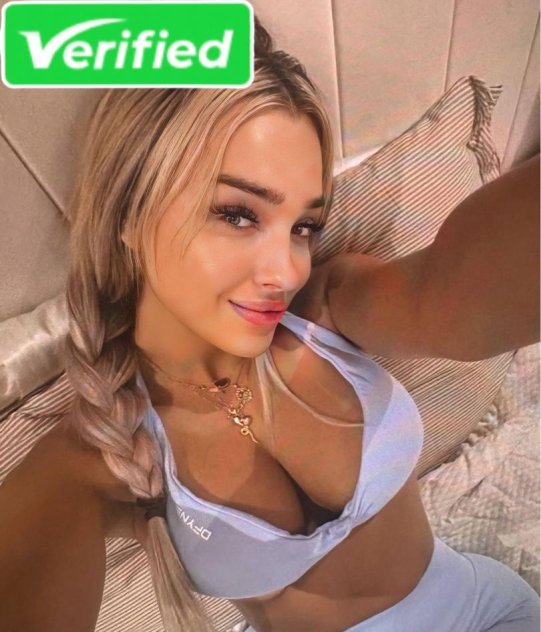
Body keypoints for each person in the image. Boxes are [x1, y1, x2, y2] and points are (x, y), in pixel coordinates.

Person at [1, 15, 539, 632]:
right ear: (129, 212)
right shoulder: (102, 450)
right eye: (237, 214)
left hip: (484, 613)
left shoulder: (326, 308)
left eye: (303, 226)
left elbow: (456, 292)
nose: (286, 271)